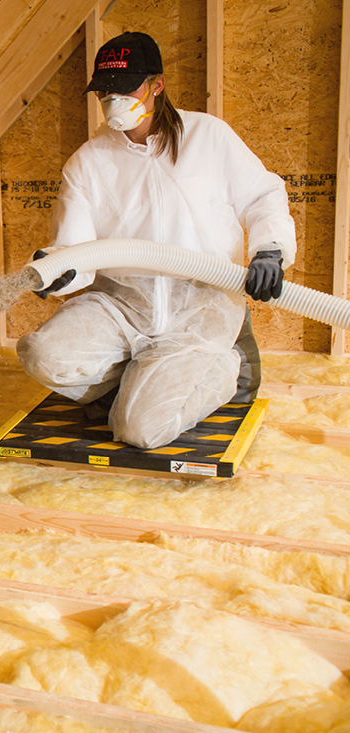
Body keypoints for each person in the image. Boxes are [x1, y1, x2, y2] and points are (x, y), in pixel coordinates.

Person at [17, 31, 296, 449]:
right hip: (120, 303)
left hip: (198, 308)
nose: (113, 100)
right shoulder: (89, 162)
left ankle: (228, 365)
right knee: (43, 354)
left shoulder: (208, 138)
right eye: (106, 92)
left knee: (140, 430)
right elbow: (76, 250)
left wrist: (270, 250)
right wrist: (58, 270)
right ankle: (132, 381)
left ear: (156, 86)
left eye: (124, 89)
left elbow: (262, 196)